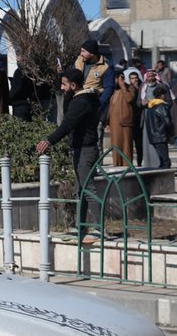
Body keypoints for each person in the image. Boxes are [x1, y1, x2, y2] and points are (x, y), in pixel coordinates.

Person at [35, 69, 99, 241]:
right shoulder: (78, 99)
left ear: (73, 85)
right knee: (81, 189)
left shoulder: (82, 102)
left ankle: (100, 228)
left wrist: (49, 140)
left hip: (86, 149)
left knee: (88, 188)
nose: (62, 88)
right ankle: (81, 226)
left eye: (64, 84)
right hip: (80, 148)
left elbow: (67, 123)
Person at [106, 70, 136, 166]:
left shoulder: (130, 87)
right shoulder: (113, 90)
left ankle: (127, 167)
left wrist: (122, 85)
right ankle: (117, 166)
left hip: (125, 122)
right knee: (116, 145)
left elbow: (129, 98)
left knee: (126, 146)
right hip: (114, 124)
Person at [143, 86, 173, 169]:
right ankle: (166, 176)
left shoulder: (150, 106)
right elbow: (167, 122)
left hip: (153, 136)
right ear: (162, 95)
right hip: (161, 135)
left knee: (162, 158)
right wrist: (171, 133)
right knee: (165, 160)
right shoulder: (162, 106)